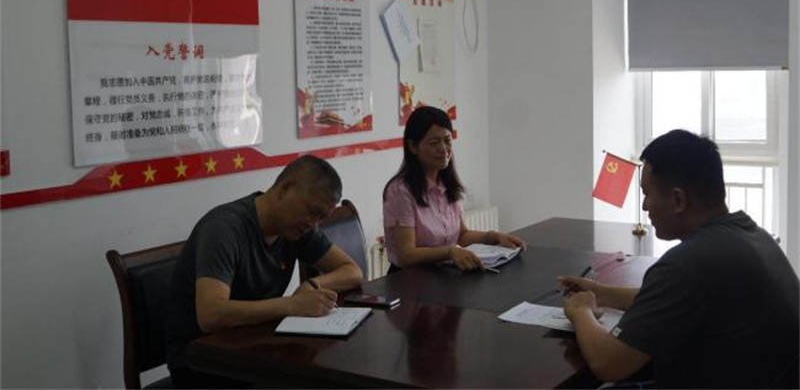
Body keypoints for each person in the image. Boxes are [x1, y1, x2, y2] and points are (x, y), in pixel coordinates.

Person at [560, 130, 800, 390]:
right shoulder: (751, 235)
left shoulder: (688, 264)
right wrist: (601, 293)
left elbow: (608, 363)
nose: (645, 206)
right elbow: (670, 299)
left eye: (647, 194)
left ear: (678, 199)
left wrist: (581, 311)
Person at [165, 155, 364, 389]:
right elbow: (211, 315)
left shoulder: (298, 228)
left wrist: (312, 285)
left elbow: (352, 271)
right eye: (312, 212)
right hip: (202, 362)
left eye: (322, 218)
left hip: (254, 347)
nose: (314, 224)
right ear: (285, 188)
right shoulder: (224, 229)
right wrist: (292, 305)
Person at [383, 106, 525, 272]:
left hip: (442, 274)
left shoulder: (446, 183)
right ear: (413, 147)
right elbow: (406, 255)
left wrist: (495, 237)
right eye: (434, 143)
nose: (443, 149)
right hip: (409, 279)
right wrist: (449, 252)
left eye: (447, 140)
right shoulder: (400, 191)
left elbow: (461, 235)